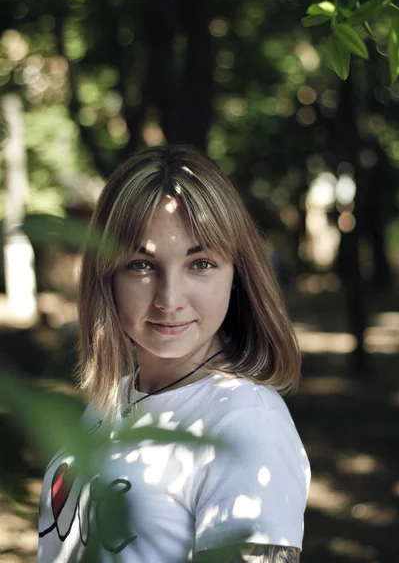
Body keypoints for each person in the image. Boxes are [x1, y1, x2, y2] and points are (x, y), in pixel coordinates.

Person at [38, 144, 310, 563]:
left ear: (237, 275)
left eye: (200, 264)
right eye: (141, 265)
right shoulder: (115, 399)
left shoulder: (246, 424)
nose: (169, 298)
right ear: (106, 275)